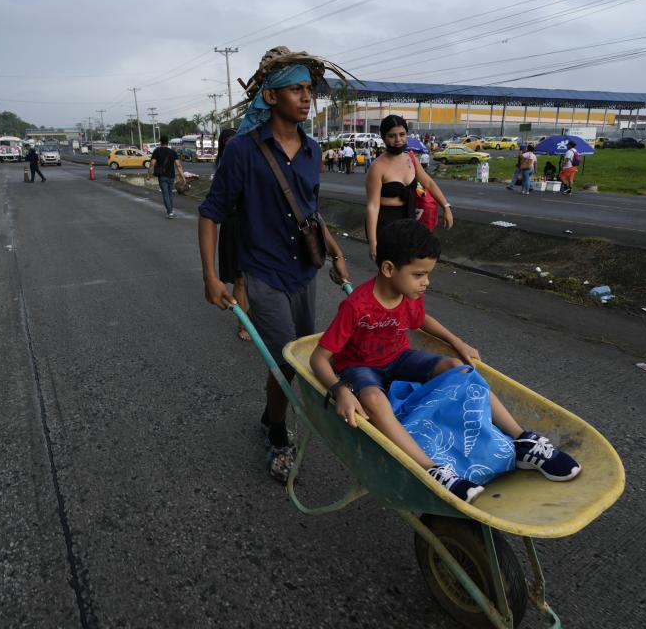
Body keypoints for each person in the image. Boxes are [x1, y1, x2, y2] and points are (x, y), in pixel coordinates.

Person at [309, 220, 581, 502]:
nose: (426, 282)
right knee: (375, 401)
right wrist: (339, 390)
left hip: (399, 358)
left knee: (458, 368)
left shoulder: (408, 294)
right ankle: (431, 469)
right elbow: (319, 358)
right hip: (360, 366)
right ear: (388, 269)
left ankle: (521, 439)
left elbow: (421, 320)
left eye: (428, 274)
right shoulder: (356, 307)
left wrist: (456, 341)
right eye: (419, 274)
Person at [198, 46, 352, 482]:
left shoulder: (314, 151)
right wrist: (211, 276)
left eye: (310, 90)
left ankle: (269, 416)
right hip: (263, 273)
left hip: (304, 271)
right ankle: (278, 434)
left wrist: (337, 256)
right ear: (270, 97)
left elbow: (311, 212)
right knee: (286, 360)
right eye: (297, 90)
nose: (307, 98)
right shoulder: (243, 152)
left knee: (304, 359)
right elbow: (210, 213)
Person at [365, 115, 453, 262]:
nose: (398, 140)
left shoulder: (410, 159)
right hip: (385, 223)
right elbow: (373, 206)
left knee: (408, 267)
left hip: (409, 219)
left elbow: (428, 183)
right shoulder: (377, 167)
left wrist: (446, 207)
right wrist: (373, 242)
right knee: (392, 271)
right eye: (392, 136)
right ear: (384, 138)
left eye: (402, 134)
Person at [213, 127, 251, 341]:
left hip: (254, 225)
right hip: (234, 226)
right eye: (230, 144)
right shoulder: (222, 169)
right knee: (240, 281)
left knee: (261, 279)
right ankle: (243, 325)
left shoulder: (251, 163)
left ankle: (252, 317)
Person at [147, 137, 186, 219]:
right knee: (170, 193)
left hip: (162, 176)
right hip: (171, 176)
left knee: (165, 194)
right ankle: (171, 211)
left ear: (160, 142)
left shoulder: (157, 151)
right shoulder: (172, 152)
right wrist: (183, 177)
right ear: (168, 142)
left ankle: (170, 212)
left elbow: (152, 164)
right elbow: (178, 165)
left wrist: (149, 175)